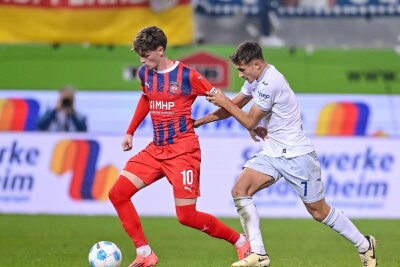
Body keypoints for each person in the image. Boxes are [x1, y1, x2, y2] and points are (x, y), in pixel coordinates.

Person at [194, 41, 377, 267]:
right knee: (240, 190)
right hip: (272, 151)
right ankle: (258, 254)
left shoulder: (271, 82)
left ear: (257, 65)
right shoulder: (255, 80)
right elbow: (233, 106)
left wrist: (233, 110)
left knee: (318, 212)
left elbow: (249, 118)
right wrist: (198, 122)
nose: (240, 75)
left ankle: (364, 244)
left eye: (242, 70)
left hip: (297, 154)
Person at [108, 26, 250, 267]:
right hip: (156, 150)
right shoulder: (145, 73)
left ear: (160, 50)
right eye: (140, 56)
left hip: (183, 151)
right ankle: (144, 253)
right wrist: (130, 131)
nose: (142, 60)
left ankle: (240, 241)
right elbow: (146, 98)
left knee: (187, 216)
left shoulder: (188, 76)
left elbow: (223, 99)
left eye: (146, 55)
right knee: (118, 194)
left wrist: (248, 124)